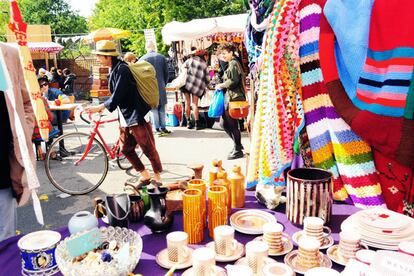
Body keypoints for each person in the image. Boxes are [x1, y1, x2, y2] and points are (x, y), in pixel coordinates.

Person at [84, 40, 163, 185]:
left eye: (99, 56)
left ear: (108, 57)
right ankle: (145, 175)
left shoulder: (122, 70)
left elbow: (118, 95)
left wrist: (99, 107)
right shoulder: (115, 69)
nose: (98, 59)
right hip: (126, 116)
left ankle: (158, 178)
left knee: (147, 148)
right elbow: (116, 96)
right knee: (126, 149)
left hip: (136, 114)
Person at [0, 43, 36, 241]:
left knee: (5, 240)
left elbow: (27, 102)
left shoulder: (7, 56)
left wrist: (24, 130)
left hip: (3, 169)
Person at [215, 43, 246, 160]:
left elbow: (233, 81)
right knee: (223, 123)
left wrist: (222, 85)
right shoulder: (231, 63)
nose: (223, 56)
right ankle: (237, 144)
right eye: (222, 54)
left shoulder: (233, 63)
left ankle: (238, 149)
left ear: (231, 52)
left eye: (225, 53)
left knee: (232, 125)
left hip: (234, 97)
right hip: (230, 97)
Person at [140, 41, 170, 135]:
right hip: (161, 85)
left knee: (153, 108)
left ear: (146, 48)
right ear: (154, 47)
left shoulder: (143, 59)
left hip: (150, 87)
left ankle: (156, 128)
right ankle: (163, 127)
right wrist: (163, 83)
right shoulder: (162, 57)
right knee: (162, 108)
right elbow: (166, 73)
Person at [180, 49, 210, 130]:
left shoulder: (188, 61)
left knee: (187, 102)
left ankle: (188, 123)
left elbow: (181, 71)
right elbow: (207, 78)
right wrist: (208, 85)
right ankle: (197, 123)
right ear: (204, 56)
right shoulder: (203, 64)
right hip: (196, 85)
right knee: (194, 104)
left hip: (186, 84)